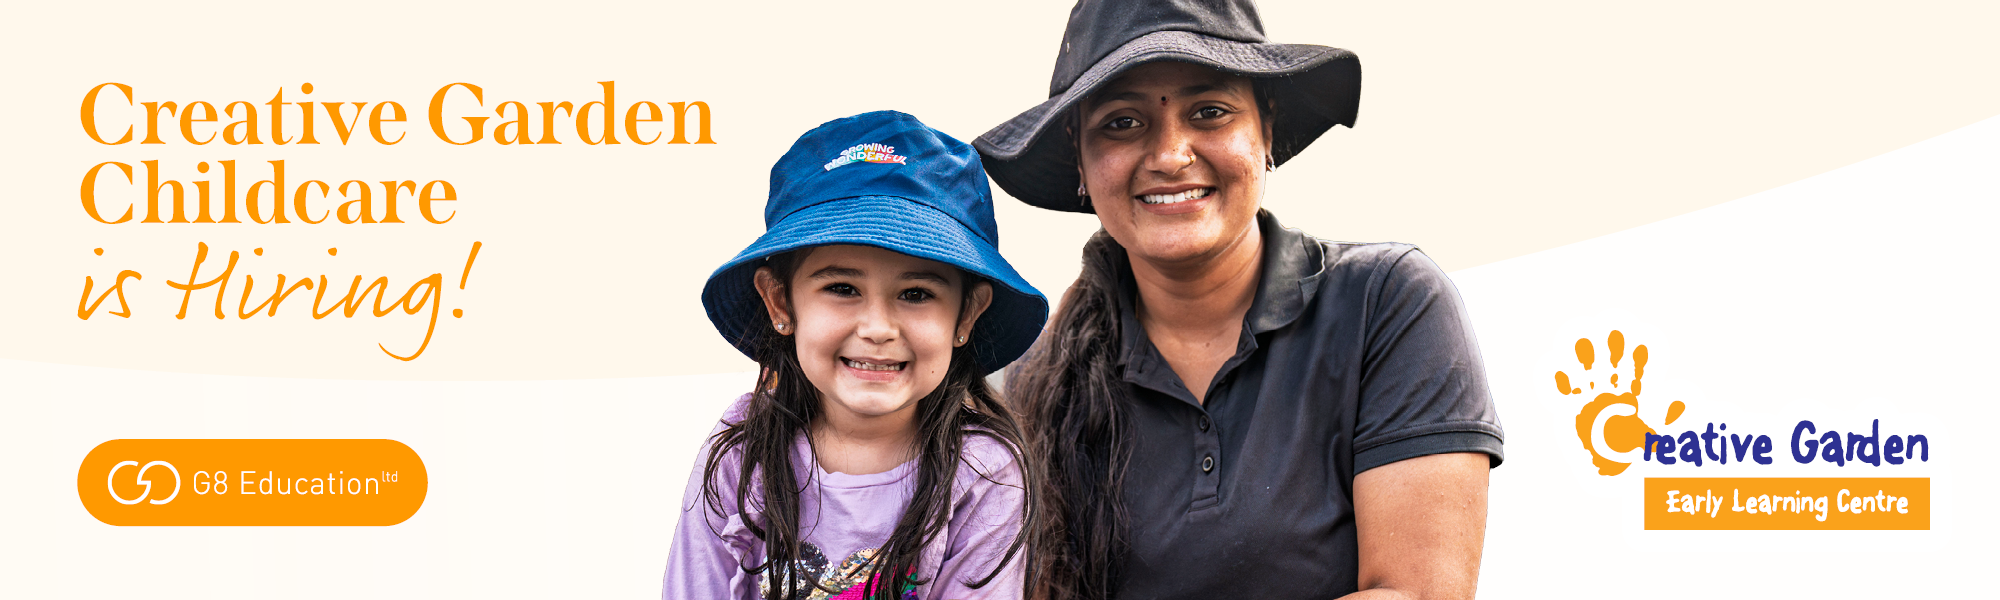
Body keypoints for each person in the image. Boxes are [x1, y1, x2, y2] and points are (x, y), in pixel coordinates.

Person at [974, 1, 1504, 599]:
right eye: (1122, 123)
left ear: (1266, 127)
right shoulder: (1027, 391)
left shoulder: (1385, 304)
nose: (1171, 155)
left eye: (1210, 112)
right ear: (1080, 157)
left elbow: (1416, 593)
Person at [664, 111, 1049, 600]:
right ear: (780, 302)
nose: (877, 328)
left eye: (915, 294)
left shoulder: (982, 471)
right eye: (842, 287)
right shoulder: (741, 454)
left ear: (966, 315)